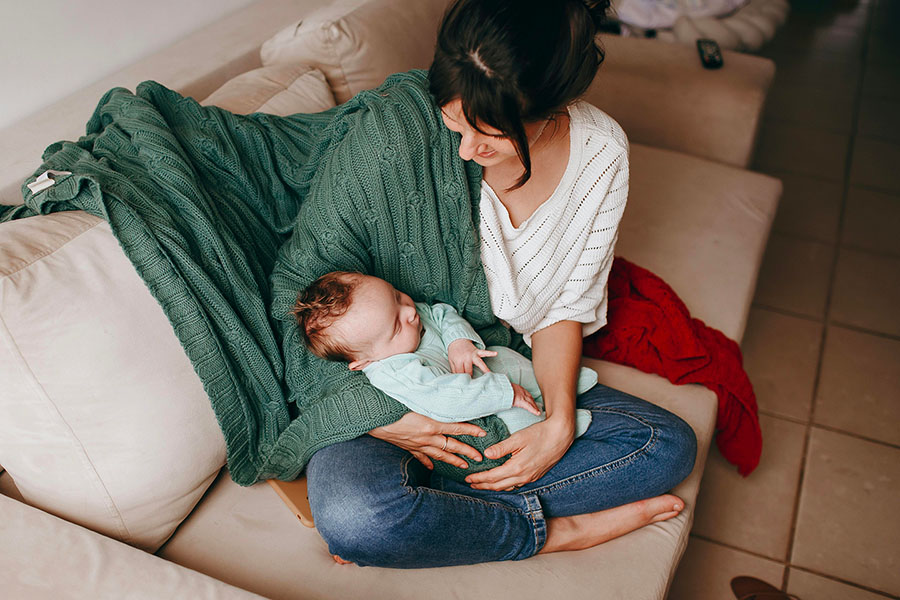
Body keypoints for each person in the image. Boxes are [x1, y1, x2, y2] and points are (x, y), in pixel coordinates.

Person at [304, 0, 698, 568]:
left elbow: (564, 303)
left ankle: (437, 523)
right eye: (453, 123)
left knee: (665, 447)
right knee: (355, 516)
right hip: (382, 399)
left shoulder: (601, 154)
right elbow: (301, 288)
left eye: (488, 136)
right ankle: (551, 531)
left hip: (502, 367)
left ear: (550, 107)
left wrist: (559, 425)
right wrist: (396, 421)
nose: (465, 152)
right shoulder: (394, 132)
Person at [291, 271, 596, 458]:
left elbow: (439, 312)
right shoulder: (395, 372)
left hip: (498, 365)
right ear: (364, 361)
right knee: (516, 420)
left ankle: (557, 387)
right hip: (489, 403)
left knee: (516, 364)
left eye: (397, 297)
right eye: (397, 325)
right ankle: (551, 425)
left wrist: (458, 341)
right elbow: (448, 399)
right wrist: (507, 393)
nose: (410, 313)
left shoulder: (409, 317)